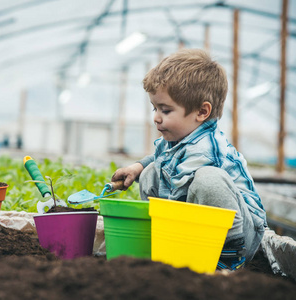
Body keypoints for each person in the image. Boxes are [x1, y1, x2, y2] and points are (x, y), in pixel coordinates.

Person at [111, 49, 266, 271]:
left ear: (201, 112)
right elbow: (159, 157)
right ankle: (161, 240)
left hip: (240, 234)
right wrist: (137, 168)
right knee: (151, 171)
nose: (155, 117)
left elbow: (178, 195)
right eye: (155, 108)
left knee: (208, 179)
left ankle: (227, 261)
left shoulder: (205, 150)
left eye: (165, 110)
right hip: (201, 224)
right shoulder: (179, 136)